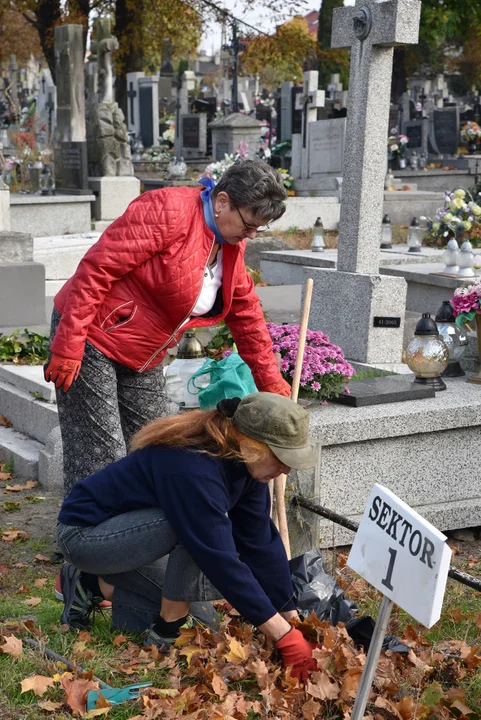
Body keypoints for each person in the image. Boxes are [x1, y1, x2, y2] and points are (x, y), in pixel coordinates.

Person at [44, 159, 291, 496]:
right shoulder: (167, 210)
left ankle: (137, 536)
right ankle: (83, 540)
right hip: (90, 334)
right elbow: (95, 270)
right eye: (249, 224)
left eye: (258, 229)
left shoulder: (230, 244)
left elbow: (247, 318)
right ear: (222, 202)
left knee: (162, 443)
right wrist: (68, 343)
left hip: (143, 351)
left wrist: (275, 390)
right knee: (102, 455)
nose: (250, 235)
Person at [56, 393, 320, 680]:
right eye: (281, 457)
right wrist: (283, 638)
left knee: (205, 621)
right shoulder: (193, 468)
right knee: (197, 530)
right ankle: (165, 630)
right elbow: (220, 561)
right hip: (86, 536)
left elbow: (259, 543)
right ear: (251, 443)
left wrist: (288, 614)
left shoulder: (244, 464)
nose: (287, 468)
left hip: (134, 538)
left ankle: (90, 584)